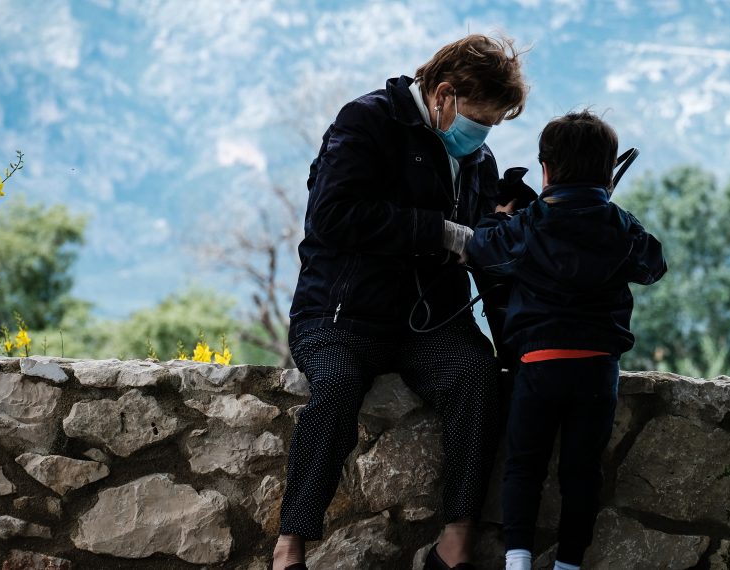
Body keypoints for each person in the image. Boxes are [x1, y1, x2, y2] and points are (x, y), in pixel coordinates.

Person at [273, 35, 528, 570]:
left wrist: (494, 233)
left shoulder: (478, 157)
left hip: (431, 323)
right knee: (337, 388)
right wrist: (439, 232)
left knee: (477, 376)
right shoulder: (365, 121)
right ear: (443, 94)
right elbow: (332, 216)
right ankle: (290, 546)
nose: (481, 134)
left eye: (493, 125)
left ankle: (455, 542)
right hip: (341, 314)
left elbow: (473, 233)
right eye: (478, 117)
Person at [462, 110, 667, 570]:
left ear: (546, 170)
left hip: (538, 363)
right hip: (597, 367)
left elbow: (481, 248)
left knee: (524, 464)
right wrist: (616, 212)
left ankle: (517, 560)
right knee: (581, 471)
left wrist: (497, 217)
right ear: (607, 170)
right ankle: (569, 563)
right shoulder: (619, 224)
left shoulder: (530, 222)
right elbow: (653, 265)